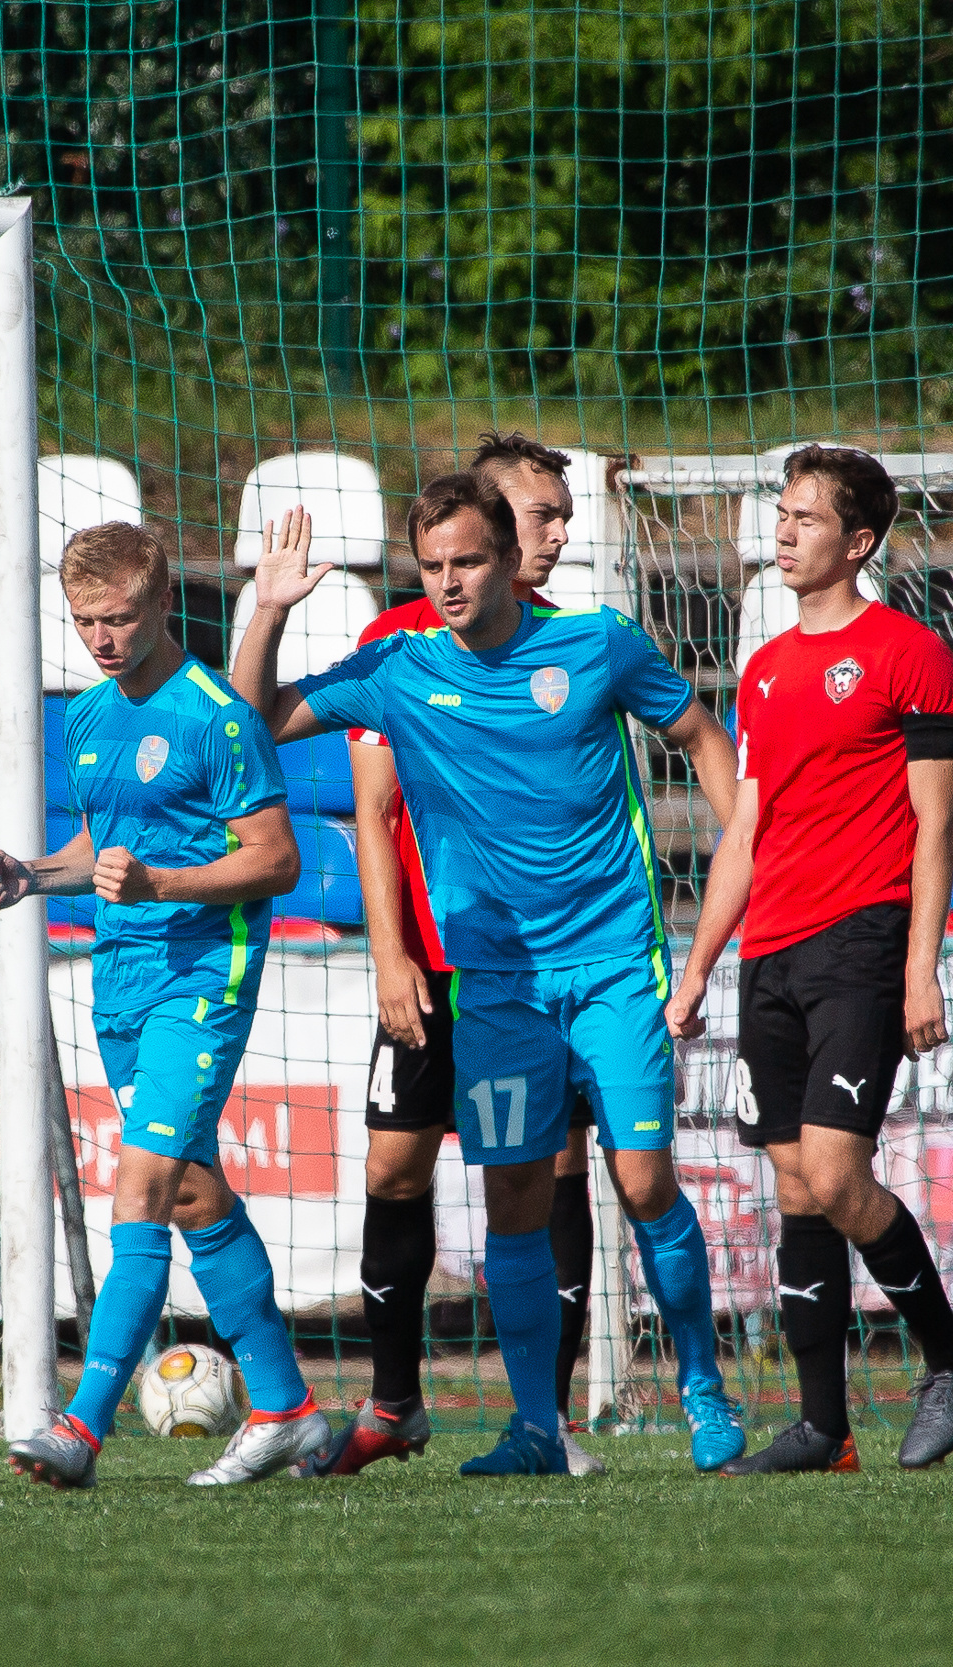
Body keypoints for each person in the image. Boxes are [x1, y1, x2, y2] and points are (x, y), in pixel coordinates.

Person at [234, 474, 746, 1478]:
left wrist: (742, 836)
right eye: (431, 566)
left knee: (642, 1180)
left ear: (510, 558)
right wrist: (267, 609)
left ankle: (702, 1385)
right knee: (512, 1194)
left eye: (467, 560)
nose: (450, 582)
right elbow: (252, 719)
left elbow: (694, 732)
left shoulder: (595, 642)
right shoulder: (398, 667)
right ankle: (535, 1428)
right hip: (495, 984)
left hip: (608, 967)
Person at [0, 520, 327, 1489]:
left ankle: (80, 1429)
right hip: (119, 978)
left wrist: (163, 883)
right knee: (190, 1189)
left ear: (161, 603)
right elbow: (104, 851)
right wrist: (31, 873)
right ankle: (288, 1406)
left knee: (136, 1189)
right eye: (87, 620)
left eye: (120, 618)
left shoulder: (216, 716)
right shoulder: (87, 716)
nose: (103, 637)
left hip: (202, 976)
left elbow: (276, 858)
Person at [665, 444, 953, 1474]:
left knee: (837, 1170)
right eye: (782, 511)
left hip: (862, 939)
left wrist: (920, 966)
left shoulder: (909, 655)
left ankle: (951, 1360)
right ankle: (822, 1426)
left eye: (807, 516)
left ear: (858, 541)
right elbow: (747, 832)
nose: (784, 529)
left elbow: (934, 826)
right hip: (769, 952)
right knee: (795, 1190)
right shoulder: (760, 670)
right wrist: (699, 961)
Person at [294, 433, 614, 1479]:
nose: (553, 535)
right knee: (395, 1165)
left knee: (548, 1173)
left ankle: (545, 1418)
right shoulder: (404, 640)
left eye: (561, 518)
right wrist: (390, 957)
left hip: (535, 968)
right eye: (536, 515)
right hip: (430, 962)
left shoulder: (576, 646)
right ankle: (395, 1402)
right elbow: (373, 808)